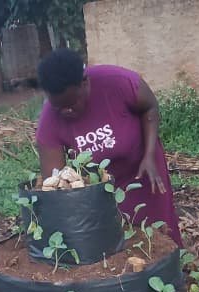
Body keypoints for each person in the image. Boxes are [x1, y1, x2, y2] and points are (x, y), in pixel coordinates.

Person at [35, 48, 183, 246]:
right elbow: (53, 183)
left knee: (160, 232)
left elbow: (150, 107)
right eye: (58, 107)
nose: (66, 111)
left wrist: (149, 156)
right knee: (117, 242)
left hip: (143, 170)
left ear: (84, 83)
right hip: (102, 186)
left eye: (72, 103)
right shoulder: (49, 122)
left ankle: (175, 270)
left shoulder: (117, 81)